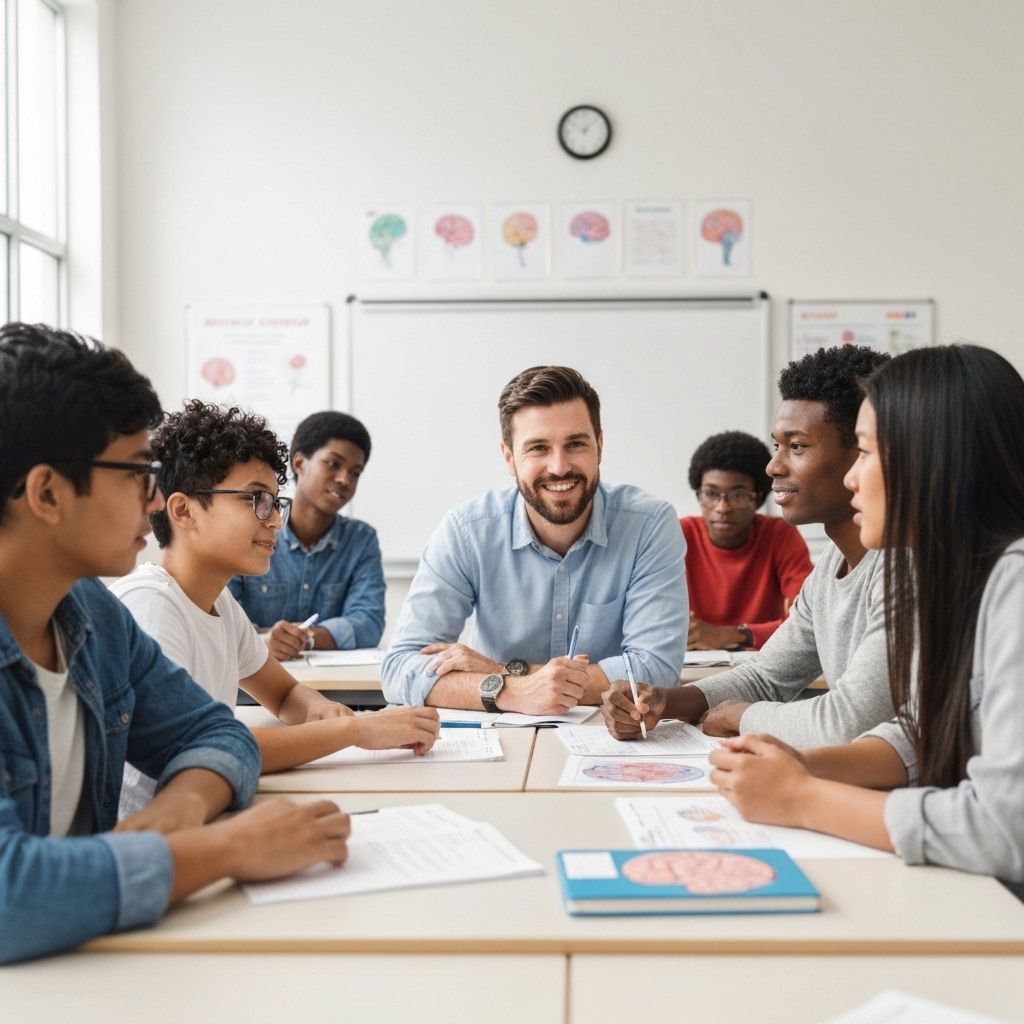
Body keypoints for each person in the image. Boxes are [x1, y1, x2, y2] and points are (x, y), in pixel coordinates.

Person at [0, 324, 349, 964]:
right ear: (48, 492)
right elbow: (9, 894)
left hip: (88, 961)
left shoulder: (93, 617)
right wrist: (225, 847)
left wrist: (181, 808)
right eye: (136, 473)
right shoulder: (139, 603)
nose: (155, 497)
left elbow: (217, 734)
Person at [709, 344, 1024, 885]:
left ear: (930, 460)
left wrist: (804, 798)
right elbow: (921, 731)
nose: (854, 478)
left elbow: (1003, 828)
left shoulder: (1015, 583)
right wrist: (802, 765)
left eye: (867, 453)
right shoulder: (965, 577)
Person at [111, 400, 438, 813]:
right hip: (153, 840)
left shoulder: (221, 604)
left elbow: (283, 695)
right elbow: (204, 749)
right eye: (255, 500)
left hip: (207, 817)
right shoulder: (152, 606)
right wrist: (355, 730)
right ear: (183, 510)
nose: (275, 521)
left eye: (274, 502)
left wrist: (320, 710)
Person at [602, 345, 893, 746]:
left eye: (798, 446)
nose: (774, 466)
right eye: (777, 446)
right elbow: (766, 676)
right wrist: (663, 702)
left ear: (859, 452)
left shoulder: (902, 568)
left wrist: (744, 717)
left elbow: (846, 723)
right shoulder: (832, 563)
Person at [382, 365, 687, 713]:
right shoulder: (466, 531)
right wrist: (512, 691)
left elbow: (657, 671)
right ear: (509, 458)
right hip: (498, 736)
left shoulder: (649, 525)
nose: (559, 466)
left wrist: (504, 673)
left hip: (610, 738)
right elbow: (400, 669)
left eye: (575, 444)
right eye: (538, 448)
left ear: (599, 446)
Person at [229, 411, 385, 662]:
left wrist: (305, 637)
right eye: (333, 464)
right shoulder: (253, 530)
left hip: (329, 686)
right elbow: (222, 619)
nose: (345, 479)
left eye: (355, 472)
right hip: (250, 684)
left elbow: (369, 623)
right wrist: (263, 642)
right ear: (300, 463)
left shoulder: (361, 539)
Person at [682, 430, 812, 650]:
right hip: (692, 664)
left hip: (762, 664)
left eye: (738, 495)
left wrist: (734, 634)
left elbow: (810, 621)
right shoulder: (679, 535)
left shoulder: (779, 536)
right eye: (711, 494)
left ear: (758, 497)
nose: (723, 508)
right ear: (699, 495)